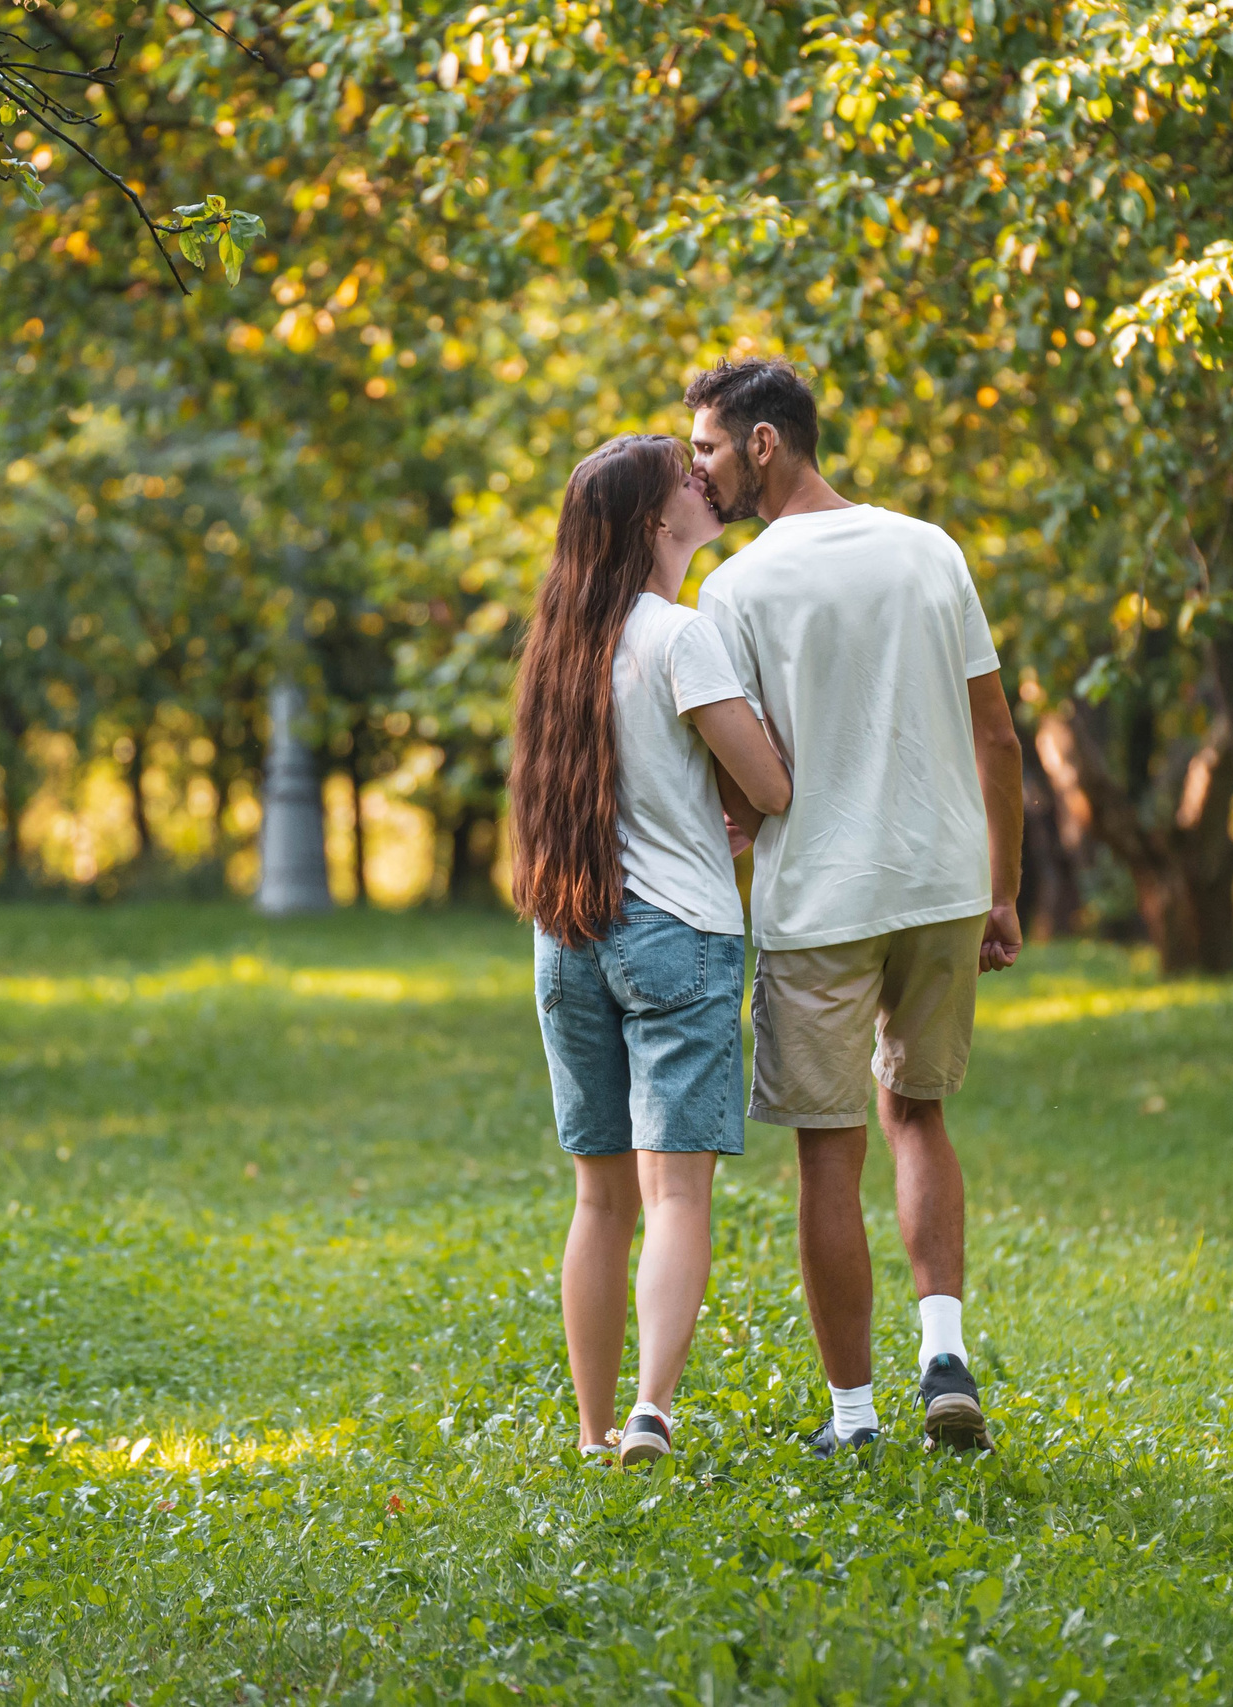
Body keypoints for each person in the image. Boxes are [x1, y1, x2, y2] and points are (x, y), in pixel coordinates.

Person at [687, 357, 1026, 1456]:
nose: (700, 472)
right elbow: (998, 737)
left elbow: (749, 773)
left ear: (764, 443)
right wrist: (1003, 889)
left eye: (706, 449)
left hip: (820, 898)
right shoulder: (929, 548)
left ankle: (853, 1417)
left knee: (828, 1151)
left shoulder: (735, 589)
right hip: (942, 884)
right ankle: (944, 1356)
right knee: (918, 1114)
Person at [508, 434, 793, 1467]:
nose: (702, 481)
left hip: (567, 937)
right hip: (678, 936)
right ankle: (651, 1411)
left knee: (598, 1199)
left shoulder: (556, 646)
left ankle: (591, 1434)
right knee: (675, 1195)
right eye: (684, 477)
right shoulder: (680, 636)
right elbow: (766, 784)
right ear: (653, 523)